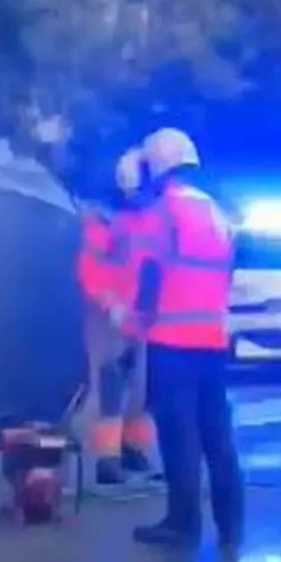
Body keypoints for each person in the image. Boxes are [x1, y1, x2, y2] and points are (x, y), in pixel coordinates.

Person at [127, 128, 244, 551]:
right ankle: (231, 526)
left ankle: (183, 523)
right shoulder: (217, 212)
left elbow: (149, 275)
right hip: (212, 341)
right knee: (217, 436)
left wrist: (138, 319)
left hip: (172, 341)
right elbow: (226, 274)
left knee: (179, 437)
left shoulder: (164, 212)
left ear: (158, 166)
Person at [90, 147, 158, 486]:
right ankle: (108, 459)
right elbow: (90, 271)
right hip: (109, 318)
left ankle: (133, 449)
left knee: (141, 389)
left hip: (137, 316)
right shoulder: (102, 221)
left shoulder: (146, 220)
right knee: (112, 388)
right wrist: (112, 306)